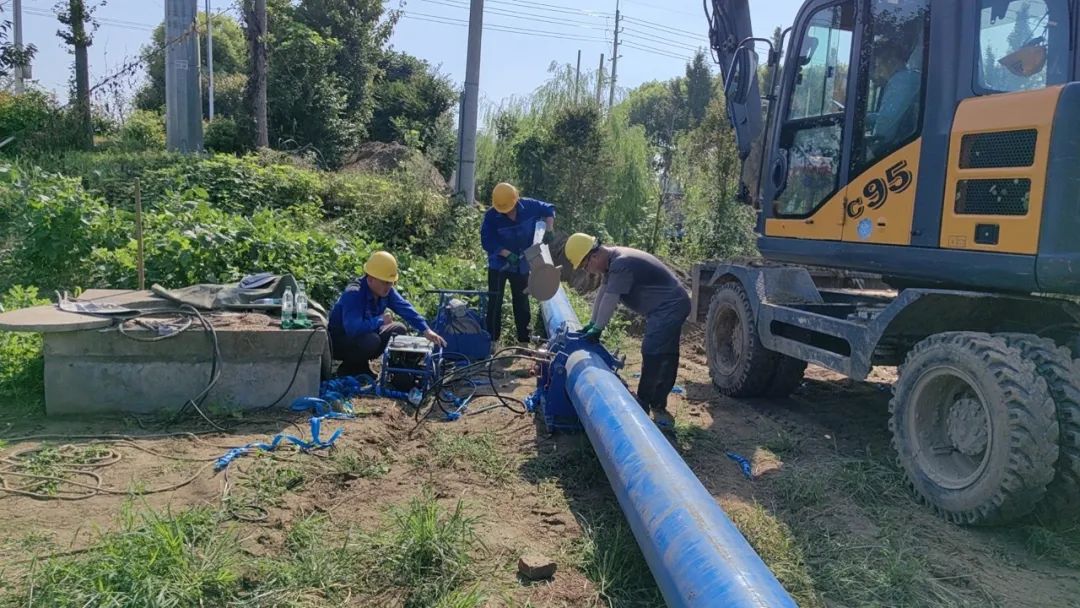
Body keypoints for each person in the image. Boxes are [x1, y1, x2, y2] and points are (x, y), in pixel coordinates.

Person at [564, 233, 690, 429]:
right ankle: (656, 401)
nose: (586, 270)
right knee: (663, 351)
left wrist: (598, 328)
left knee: (654, 351)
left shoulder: (621, 264)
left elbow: (611, 299)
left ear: (594, 256)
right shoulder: (612, 263)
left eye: (585, 265)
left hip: (670, 306)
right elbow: (603, 293)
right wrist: (592, 323)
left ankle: (646, 403)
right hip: (664, 307)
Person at [328, 251, 447, 378]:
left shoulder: (385, 291)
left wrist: (426, 330)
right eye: (385, 282)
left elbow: (405, 308)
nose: (389, 286)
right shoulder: (354, 294)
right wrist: (380, 320)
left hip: (365, 336)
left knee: (398, 328)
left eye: (391, 283)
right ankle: (348, 368)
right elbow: (353, 329)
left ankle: (391, 369)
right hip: (340, 342)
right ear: (371, 279)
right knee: (372, 340)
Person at [480, 182, 556, 344]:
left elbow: (549, 209)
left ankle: (524, 340)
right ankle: (492, 341)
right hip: (499, 266)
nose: (507, 212)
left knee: (521, 301)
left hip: (522, 265)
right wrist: (505, 253)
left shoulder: (530, 206)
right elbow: (487, 241)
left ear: (516, 200)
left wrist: (549, 229)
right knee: (495, 301)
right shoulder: (491, 216)